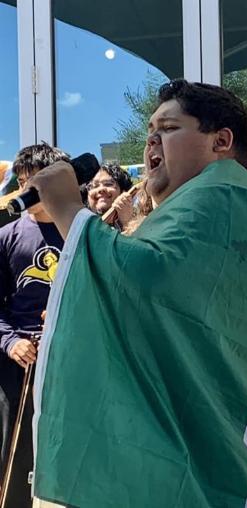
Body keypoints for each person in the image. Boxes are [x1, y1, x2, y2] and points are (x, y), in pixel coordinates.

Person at [30, 80, 247, 508]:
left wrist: (69, 209)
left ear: (221, 141)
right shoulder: (201, 213)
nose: (152, 141)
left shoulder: (227, 200)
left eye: (169, 127)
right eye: (149, 132)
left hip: (212, 473)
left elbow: (141, 280)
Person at [0, 143, 69, 508]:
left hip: (70, 357)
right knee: (14, 447)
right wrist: (10, 340)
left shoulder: (82, 229)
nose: (33, 192)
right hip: (19, 359)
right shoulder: (7, 234)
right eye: (27, 183)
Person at [85, 162, 132, 229]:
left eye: (108, 184)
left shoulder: (142, 221)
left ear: (123, 192)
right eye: (94, 186)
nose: (101, 189)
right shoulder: (80, 228)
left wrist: (127, 223)